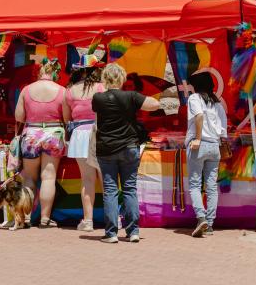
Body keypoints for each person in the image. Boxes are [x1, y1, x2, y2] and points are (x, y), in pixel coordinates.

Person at [92, 63, 160, 243]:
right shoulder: (131, 96)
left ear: (105, 78)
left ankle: (112, 233)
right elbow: (155, 104)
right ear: (122, 78)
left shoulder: (98, 98)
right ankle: (133, 232)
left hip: (106, 148)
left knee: (110, 190)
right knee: (130, 189)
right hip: (129, 146)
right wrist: (139, 101)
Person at [15, 58, 66, 227]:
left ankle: (27, 217)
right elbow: (67, 118)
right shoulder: (62, 91)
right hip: (54, 133)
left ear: (39, 72)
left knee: (29, 177)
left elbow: (18, 117)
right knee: (48, 177)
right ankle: (45, 218)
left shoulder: (26, 90)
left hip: (31, 133)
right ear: (55, 73)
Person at [62, 54, 105, 232]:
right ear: (96, 69)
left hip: (79, 135)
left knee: (86, 179)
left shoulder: (70, 90)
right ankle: (114, 218)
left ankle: (88, 221)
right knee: (106, 179)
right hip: (100, 133)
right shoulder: (102, 87)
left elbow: (66, 118)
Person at [186, 72, 227, 237]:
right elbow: (223, 130)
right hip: (214, 146)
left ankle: (201, 217)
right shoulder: (217, 105)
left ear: (196, 86)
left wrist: (197, 138)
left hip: (199, 145)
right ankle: (209, 224)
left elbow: (199, 115)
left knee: (195, 184)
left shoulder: (194, 98)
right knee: (211, 187)